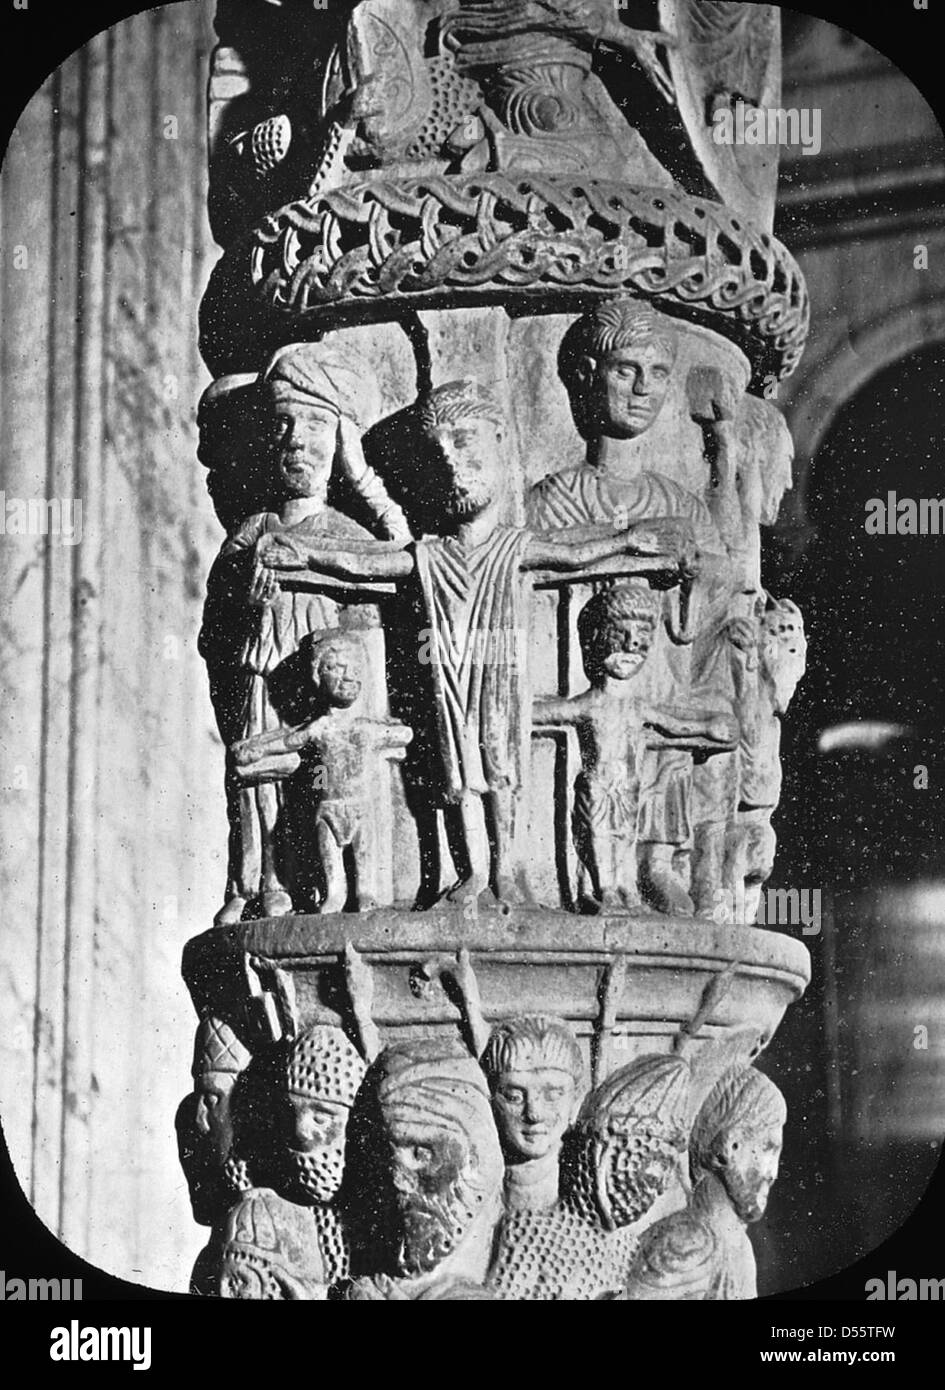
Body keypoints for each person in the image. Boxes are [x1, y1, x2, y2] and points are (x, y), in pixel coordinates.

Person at [259, 377, 693, 910]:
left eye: (464, 441)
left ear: (500, 437)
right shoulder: (430, 555)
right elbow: (369, 564)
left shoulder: (513, 546)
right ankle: (474, 873)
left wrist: (636, 543)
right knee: (457, 775)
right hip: (450, 683)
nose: (450, 462)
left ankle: (509, 872)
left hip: (499, 683)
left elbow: (575, 553)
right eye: (437, 452)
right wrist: (302, 556)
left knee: (501, 770)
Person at [528, 298, 734, 914]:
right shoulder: (553, 499)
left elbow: (706, 612)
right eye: (626, 371)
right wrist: (626, 553)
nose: (644, 389)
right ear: (588, 374)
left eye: (659, 374)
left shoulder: (680, 503)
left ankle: (658, 858)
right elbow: (528, 564)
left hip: (655, 685)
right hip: (575, 684)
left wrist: (695, 572)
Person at [200, 341, 409, 924]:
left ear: (340, 437)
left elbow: (400, 572)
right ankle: (253, 881)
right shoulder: (254, 527)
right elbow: (216, 616)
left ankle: (301, 879)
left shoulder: (344, 529)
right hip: (260, 667)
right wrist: (245, 599)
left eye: (316, 422)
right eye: (282, 422)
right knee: (252, 782)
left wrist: (361, 476)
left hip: (323, 675)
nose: (296, 438)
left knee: (310, 781)